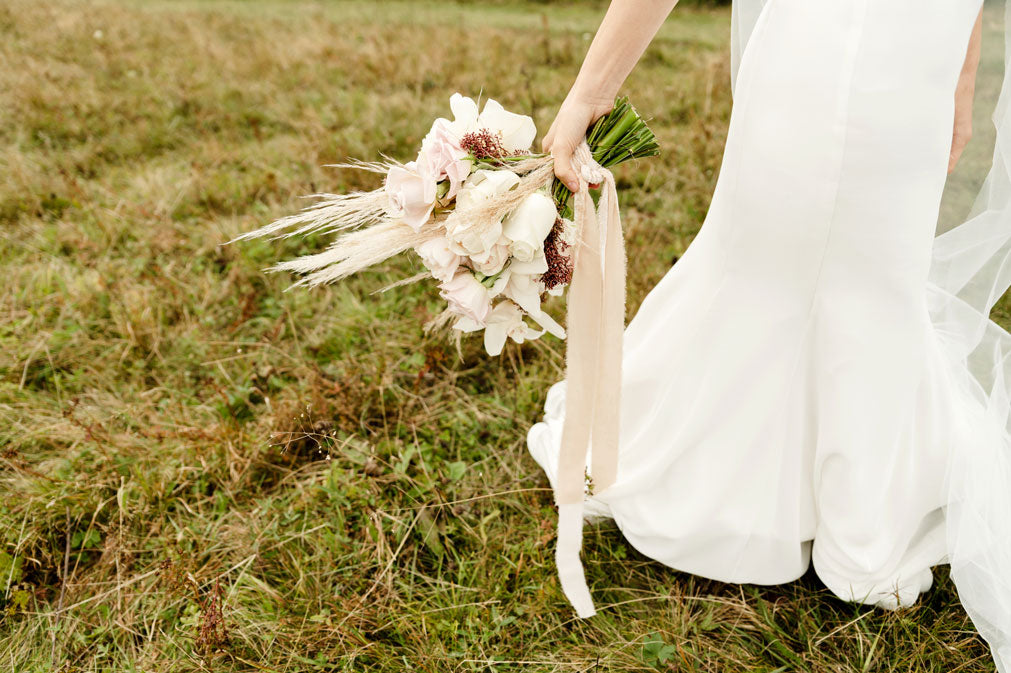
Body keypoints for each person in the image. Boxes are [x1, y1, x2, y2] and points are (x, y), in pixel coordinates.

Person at [527, 1, 1011, 669]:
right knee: (767, 262)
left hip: (915, 72)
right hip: (824, 55)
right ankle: (823, 506)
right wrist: (591, 92)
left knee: (876, 279)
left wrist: (959, 77)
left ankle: (843, 503)